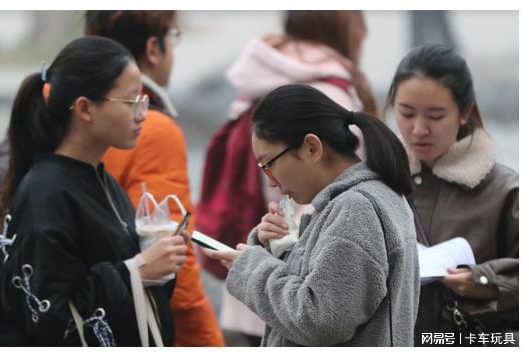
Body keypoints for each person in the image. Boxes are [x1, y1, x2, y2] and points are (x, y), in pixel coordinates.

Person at [0, 36, 188, 346]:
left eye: (143, 101)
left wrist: (158, 260)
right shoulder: (45, 194)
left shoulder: (100, 179)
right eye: (132, 101)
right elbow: (48, 316)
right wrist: (140, 269)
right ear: (84, 109)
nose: (142, 114)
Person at [195, 10, 377, 345]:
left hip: (264, 287)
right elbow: (322, 315)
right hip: (289, 294)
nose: (273, 181)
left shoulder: (262, 78)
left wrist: (257, 258)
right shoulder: (326, 92)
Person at [202, 84, 420, 346]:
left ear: (311, 148)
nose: (271, 182)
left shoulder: (356, 210)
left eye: (269, 164)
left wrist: (253, 270)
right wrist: (279, 250)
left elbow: (322, 320)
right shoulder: (360, 200)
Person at [84, 10, 224, 346]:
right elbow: (172, 255)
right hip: (124, 326)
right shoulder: (152, 129)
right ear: (152, 48)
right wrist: (207, 343)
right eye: (172, 38)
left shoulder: (49, 108)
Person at [386, 44, 518, 346]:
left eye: (435, 115)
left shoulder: (505, 191)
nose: (418, 129)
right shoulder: (378, 182)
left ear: (465, 112)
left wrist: (485, 280)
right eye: (406, 113)